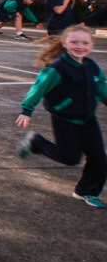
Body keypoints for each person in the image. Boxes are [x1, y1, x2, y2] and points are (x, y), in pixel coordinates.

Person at [16, 25, 106, 208]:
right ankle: (36, 143)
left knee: (99, 158)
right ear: (65, 43)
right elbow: (38, 87)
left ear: (91, 45)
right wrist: (27, 109)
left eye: (85, 42)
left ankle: (85, 191)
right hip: (64, 119)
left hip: (87, 118)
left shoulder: (91, 66)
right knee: (70, 158)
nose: (79, 46)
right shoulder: (58, 68)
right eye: (74, 42)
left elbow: (102, 88)